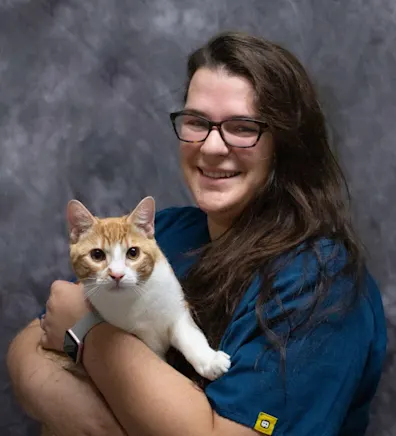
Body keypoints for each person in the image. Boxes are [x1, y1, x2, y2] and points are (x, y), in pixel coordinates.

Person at [7, 31, 387, 436]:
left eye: (242, 127)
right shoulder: (165, 233)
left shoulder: (321, 282)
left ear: (286, 143)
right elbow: (29, 345)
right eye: (197, 122)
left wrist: (89, 335)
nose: (211, 147)